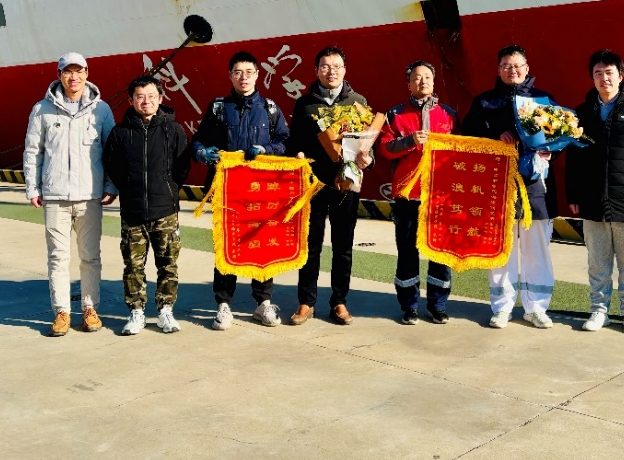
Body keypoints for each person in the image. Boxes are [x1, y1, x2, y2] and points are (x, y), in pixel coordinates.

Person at [192, 50, 290, 329]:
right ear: (230, 76)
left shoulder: (270, 109)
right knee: (227, 244)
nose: (243, 77)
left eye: (248, 72)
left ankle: (263, 302)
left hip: (261, 190)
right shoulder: (218, 108)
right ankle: (224, 304)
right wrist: (203, 154)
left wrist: (266, 149)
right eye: (238, 72)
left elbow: (284, 142)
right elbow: (198, 141)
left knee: (262, 245)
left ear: (258, 75)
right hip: (227, 190)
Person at [462, 45, 557, 330]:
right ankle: (502, 306)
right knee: (500, 249)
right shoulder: (484, 102)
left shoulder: (543, 100)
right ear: (498, 69)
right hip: (497, 186)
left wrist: (546, 150)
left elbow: (559, 138)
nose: (512, 70)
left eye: (517, 65)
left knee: (537, 249)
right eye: (506, 66)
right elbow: (468, 139)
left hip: (534, 187)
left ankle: (536, 308)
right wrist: (495, 137)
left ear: (527, 68)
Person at [23, 52, 117, 336]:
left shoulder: (101, 110)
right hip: (55, 196)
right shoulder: (42, 110)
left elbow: (111, 151)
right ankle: (62, 311)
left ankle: (90, 308)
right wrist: (33, 187)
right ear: (59, 75)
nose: (73, 77)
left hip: (89, 195)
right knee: (58, 257)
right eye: (67, 72)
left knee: (90, 257)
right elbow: (33, 152)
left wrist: (111, 185)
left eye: (78, 71)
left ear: (87, 74)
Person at [566, 49, 624, 335]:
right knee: (598, 262)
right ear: (592, 78)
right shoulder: (582, 113)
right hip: (592, 199)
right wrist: (573, 195)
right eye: (598, 73)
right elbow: (574, 158)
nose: (604, 78)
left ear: (621, 76)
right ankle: (599, 311)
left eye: (609, 73)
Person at [285, 45, 372, 325]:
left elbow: (367, 142)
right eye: (325, 66)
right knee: (310, 246)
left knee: (343, 246)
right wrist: (297, 155)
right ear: (316, 71)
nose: (331, 71)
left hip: (347, 184)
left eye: (336, 66)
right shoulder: (305, 104)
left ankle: (339, 302)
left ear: (345, 70)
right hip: (313, 184)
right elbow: (293, 142)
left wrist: (367, 159)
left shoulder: (358, 102)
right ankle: (306, 302)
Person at [102, 74, 191, 335]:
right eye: (140, 97)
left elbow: (182, 167)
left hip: (165, 211)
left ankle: (165, 311)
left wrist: (167, 188)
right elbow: (112, 165)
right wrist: (129, 187)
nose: (146, 101)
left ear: (160, 99)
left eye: (151, 96)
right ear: (131, 100)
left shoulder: (174, 131)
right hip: (133, 212)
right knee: (133, 266)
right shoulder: (120, 133)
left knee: (168, 264)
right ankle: (136, 312)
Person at [377, 60, 460, 325]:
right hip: (407, 195)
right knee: (407, 253)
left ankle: (438, 305)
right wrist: (409, 141)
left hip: (440, 196)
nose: (422, 81)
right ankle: (409, 306)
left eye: (427, 77)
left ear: (434, 82)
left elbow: (461, 151)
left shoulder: (449, 114)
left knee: (439, 252)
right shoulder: (395, 114)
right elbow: (385, 148)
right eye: (416, 77)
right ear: (408, 84)